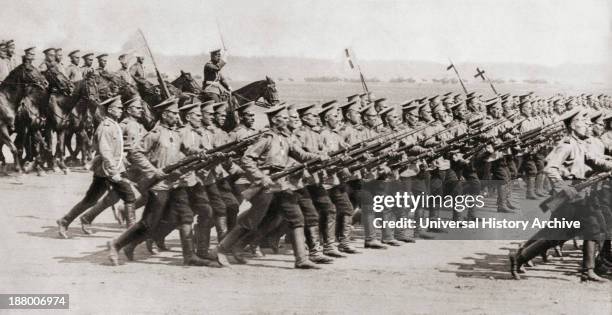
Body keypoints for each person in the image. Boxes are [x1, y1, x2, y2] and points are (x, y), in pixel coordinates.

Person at [214, 105, 326, 269]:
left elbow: (300, 154)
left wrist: (318, 157)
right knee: (252, 219)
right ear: (275, 120)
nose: (288, 120)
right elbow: (247, 159)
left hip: (281, 184)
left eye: (288, 118)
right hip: (266, 184)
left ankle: (301, 259)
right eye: (284, 118)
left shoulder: (285, 138)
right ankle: (220, 250)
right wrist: (261, 177)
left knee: (296, 218)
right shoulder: (266, 138)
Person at [509, 108, 612, 282]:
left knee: (593, 228)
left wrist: (609, 167)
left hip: (583, 192)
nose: (588, 123)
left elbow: (594, 160)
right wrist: (564, 187)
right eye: (582, 120)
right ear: (572, 125)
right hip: (571, 192)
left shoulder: (580, 143)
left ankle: (588, 270)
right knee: (558, 234)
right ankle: (520, 257)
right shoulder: (566, 144)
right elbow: (550, 168)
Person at [107, 97, 210, 267]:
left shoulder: (176, 133)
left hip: (175, 183)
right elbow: (136, 153)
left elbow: (186, 148)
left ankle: (189, 256)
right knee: (148, 222)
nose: (177, 117)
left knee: (185, 217)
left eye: (177, 114)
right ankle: (116, 244)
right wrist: (153, 171)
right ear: (164, 114)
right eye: (173, 114)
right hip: (158, 184)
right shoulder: (155, 134)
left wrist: (200, 152)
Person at [56, 96, 136, 239]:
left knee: (91, 199)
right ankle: (130, 237)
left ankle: (66, 220)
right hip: (109, 170)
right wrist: (114, 172)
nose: (121, 110)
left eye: (121, 108)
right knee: (129, 196)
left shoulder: (114, 124)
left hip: (113, 168)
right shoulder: (105, 127)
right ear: (110, 110)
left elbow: (117, 148)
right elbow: (105, 151)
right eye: (118, 108)